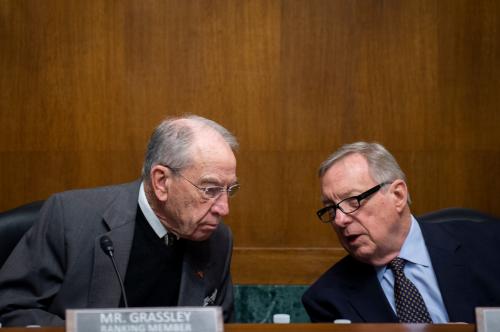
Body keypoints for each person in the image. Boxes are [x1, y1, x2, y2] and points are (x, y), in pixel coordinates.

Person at [0, 115, 240, 326]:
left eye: (230, 190)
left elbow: (220, 323)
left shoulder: (218, 239)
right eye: (210, 189)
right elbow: (12, 307)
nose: (224, 208)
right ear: (161, 182)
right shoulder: (69, 218)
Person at [302, 142, 500, 323]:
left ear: (397, 195)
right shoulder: (327, 299)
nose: (339, 220)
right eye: (331, 209)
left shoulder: (490, 244)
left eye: (354, 201)